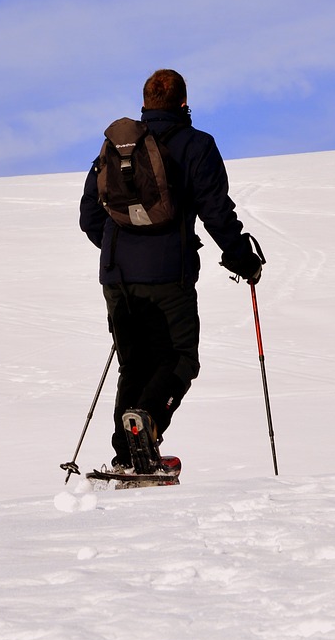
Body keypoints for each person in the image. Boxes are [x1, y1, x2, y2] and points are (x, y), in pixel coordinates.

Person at [79, 68, 264, 472]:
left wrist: (118, 252)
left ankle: (128, 455)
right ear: (183, 103)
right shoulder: (197, 146)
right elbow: (216, 212)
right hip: (168, 275)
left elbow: (90, 216)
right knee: (180, 358)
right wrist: (242, 260)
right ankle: (147, 425)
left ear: (145, 104)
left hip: (115, 277)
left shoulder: (115, 147)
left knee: (135, 362)